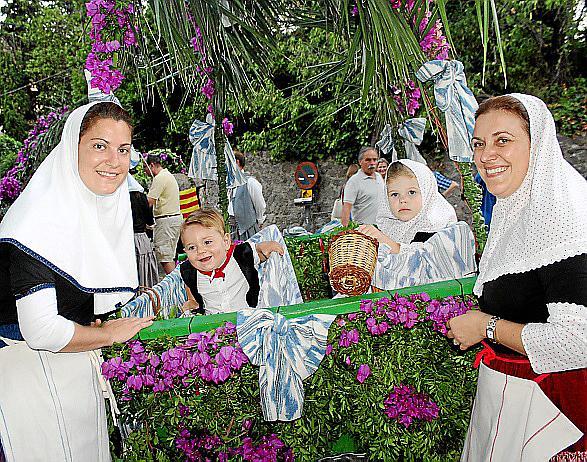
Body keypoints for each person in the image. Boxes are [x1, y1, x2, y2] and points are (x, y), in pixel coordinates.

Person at [0, 102, 154, 461]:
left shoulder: (93, 213)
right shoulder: (36, 221)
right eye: (99, 145)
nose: (114, 161)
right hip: (24, 377)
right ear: (73, 148)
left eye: (123, 149)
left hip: (72, 370)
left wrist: (95, 325)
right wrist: (109, 333)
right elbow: (42, 332)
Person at [447, 94, 586, 461]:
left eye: (503, 140)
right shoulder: (517, 208)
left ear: (537, 143)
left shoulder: (565, 217)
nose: (486, 155)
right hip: (517, 401)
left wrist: (485, 326)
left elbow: (580, 341)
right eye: (479, 143)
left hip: (559, 418)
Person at [358, 159, 476, 290]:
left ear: (427, 192)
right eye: (394, 194)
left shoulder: (442, 229)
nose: (403, 200)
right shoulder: (390, 227)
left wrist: (389, 244)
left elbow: (425, 265)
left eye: (412, 192)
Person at [179, 209, 284, 315]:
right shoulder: (189, 271)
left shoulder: (240, 255)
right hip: (214, 326)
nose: (200, 251)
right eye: (192, 247)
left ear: (226, 242)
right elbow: (189, 284)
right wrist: (192, 301)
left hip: (249, 319)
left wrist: (267, 247)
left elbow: (258, 251)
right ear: (185, 251)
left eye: (207, 242)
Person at [146, 153, 182, 274]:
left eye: (145, 167)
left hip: (166, 220)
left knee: (165, 257)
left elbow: (150, 201)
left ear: (152, 165)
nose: (145, 171)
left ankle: (175, 286)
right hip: (172, 219)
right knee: (169, 255)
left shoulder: (160, 178)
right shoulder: (167, 175)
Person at [128, 173, 159, 287]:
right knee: (144, 271)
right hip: (142, 240)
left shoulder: (121, 199)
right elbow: (150, 221)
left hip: (127, 240)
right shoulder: (141, 197)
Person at [341, 147, 384, 226]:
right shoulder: (354, 182)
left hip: (382, 228)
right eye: (368, 160)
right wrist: (345, 232)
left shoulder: (379, 177)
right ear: (360, 162)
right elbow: (346, 209)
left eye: (375, 160)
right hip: (364, 230)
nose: (372, 163)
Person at [228, 151, 266, 241]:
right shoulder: (229, 185)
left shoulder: (251, 182)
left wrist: (259, 221)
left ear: (237, 162)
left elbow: (260, 205)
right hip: (232, 229)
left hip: (248, 230)